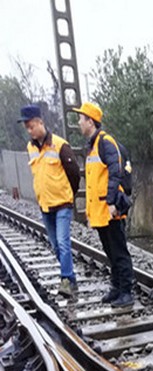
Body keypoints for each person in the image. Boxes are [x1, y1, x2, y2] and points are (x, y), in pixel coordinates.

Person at [73, 101, 134, 307]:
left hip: (110, 210)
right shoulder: (92, 147)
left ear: (90, 121)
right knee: (110, 252)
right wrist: (90, 214)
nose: (78, 123)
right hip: (100, 212)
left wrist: (110, 203)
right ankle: (117, 288)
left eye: (81, 119)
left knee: (119, 252)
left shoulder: (105, 142)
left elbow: (115, 172)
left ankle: (126, 292)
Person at [19, 104, 80, 296]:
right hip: (45, 205)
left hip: (62, 204)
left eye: (31, 126)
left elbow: (74, 174)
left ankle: (65, 282)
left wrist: (68, 194)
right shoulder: (30, 147)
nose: (29, 130)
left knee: (63, 243)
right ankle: (71, 279)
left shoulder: (60, 145)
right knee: (55, 245)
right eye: (26, 127)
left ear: (40, 122)